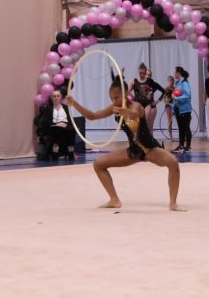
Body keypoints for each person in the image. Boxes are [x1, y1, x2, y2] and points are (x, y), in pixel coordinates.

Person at [66, 74, 184, 211]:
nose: (114, 100)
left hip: (149, 148)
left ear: (126, 94)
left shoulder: (136, 106)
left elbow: (134, 115)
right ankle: (114, 200)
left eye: (117, 97)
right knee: (98, 164)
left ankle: (173, 203)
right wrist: (74, 103)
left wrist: (125, 112)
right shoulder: (114, 108)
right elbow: (92, 116)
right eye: (111, 98)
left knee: (173, 163)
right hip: (133, 151)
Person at [36, 89, 76, 161]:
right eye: (54, 96)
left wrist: (65, 124)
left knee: (72, 130)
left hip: (65, 127)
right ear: (51, 98)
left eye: (58, 96)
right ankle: (55, 153)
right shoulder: (48, 109)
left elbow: (70, 120)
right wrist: (57, 124)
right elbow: (46, 122)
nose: (56, 98)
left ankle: (71, 153)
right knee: (56, 130)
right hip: (53, 128)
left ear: (61, 97)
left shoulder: (66, 108)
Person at [130, 64, 164, 131]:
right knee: (143, 125)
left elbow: (164, 92)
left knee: (149, 126)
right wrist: (133, 99)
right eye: (147, 75)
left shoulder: (152, 83)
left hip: (151, 106)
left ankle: (150, 137)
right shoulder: (140, 82)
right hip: (142, 105)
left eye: (149, 75)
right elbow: (130, 91)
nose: (148, 76)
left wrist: (157, 102)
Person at [171, 66, 193, 153]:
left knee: (186, 127)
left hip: (185, 109)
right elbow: (175, 95)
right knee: (180, 128)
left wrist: (176, 98)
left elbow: (187, 95)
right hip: (178, 109)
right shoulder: (177, 83)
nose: (174, 74)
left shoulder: (184, 83)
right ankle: (181, 146)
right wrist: (173, 108)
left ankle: (188, 146)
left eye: (175, 72)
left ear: (178, 73)